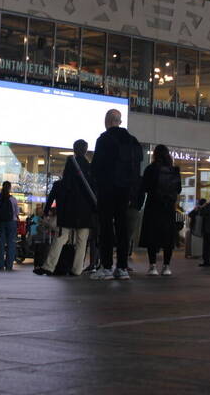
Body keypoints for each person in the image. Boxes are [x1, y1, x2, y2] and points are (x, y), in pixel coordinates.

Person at [90, 108, 142, 280]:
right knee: (122, 229)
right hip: (125, 192)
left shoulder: (104, 139)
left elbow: (96, 167)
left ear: (107, 121)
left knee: (105, 228)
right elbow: (136, 170)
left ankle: (106, 267)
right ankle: (122, 267)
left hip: (107, 190)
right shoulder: (133, 141)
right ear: (119, 121)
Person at [36, 139, 97, 277]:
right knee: (82, 241)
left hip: (68, 211)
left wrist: (47, 211)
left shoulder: (70, 166)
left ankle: (49, 266)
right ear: (86, 150)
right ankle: (77, 269)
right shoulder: (89, 168)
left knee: (61, 238)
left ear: (74, 149)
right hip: (85, 212)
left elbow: (60, 189)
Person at [136, 144, 182, 276]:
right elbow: (178, 189)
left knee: (152, 236)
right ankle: (166, 267)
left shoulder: (151, 169)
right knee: (168, 238)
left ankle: (153, 266)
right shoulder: (174, 170)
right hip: (168, 208)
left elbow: (144, 187)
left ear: (155, 154)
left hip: (153, 207)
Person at [0, 181, 20, 271]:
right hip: (11, 223)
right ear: (10, 188)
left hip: (1, 223)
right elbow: (17, 213)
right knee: (11, 244)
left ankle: (0, 265)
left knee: (1, 244)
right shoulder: (13, 199)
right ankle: (9, 265)